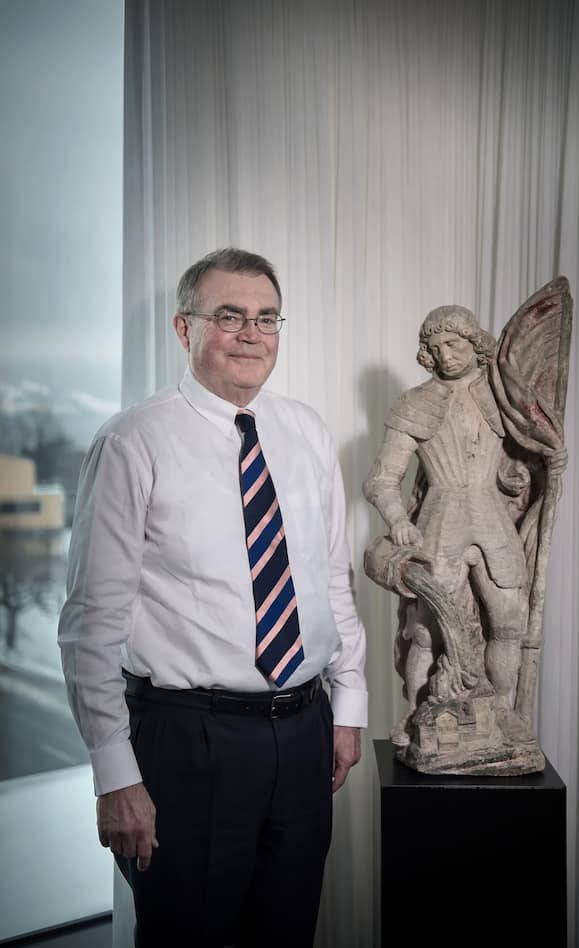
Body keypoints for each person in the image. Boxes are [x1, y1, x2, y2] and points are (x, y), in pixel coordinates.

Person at [58, 248, 368, 948]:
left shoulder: (307, 434)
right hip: (186, 742)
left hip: (303, 733)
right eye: (229, 316)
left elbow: (328, 583)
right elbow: (89, 625)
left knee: (286, 933)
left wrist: (346, 707)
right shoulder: (134, 442)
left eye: (266, 318)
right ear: (183, 328)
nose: (251, 333)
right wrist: (115, 776)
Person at [363, 305, 531, 744]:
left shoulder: (503, 398)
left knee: (508, 622)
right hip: (441, 519)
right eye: (435, 348)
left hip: (492, 518)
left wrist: (544, 461)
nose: (445, 355)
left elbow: (529, 453)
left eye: (454, 344)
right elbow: (382, 479)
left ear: (474, 343)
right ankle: (417, 712)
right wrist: (398, 519)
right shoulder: (415, 404)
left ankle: (502, 709)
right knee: (427, 629)